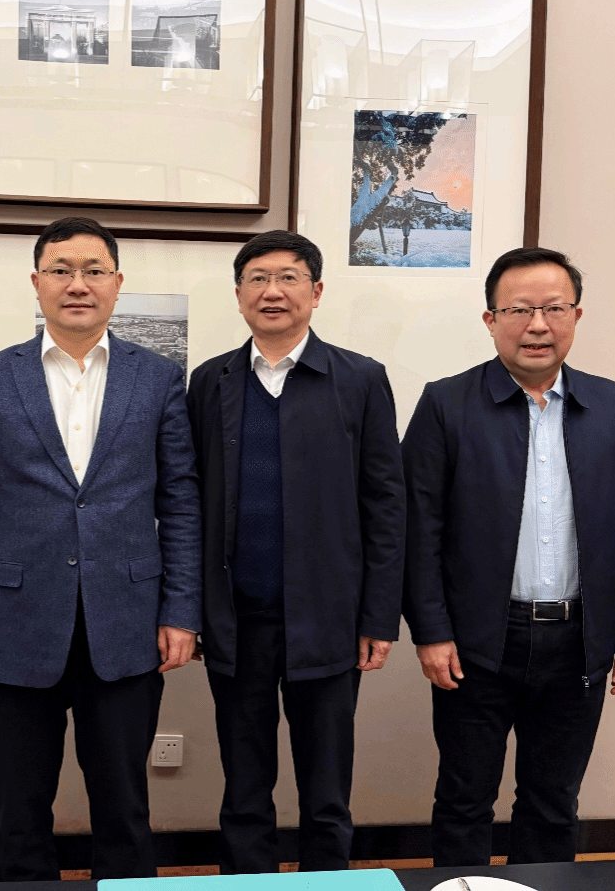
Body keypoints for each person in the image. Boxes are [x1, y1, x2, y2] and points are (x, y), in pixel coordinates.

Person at [0, 216, 201, 881]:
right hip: (14, 626)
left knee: (125, 810)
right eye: (60, 270)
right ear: (37, 282)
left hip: (128, 623)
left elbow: (181, 503)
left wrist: (181, 609)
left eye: (93, 270)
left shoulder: (158, 378)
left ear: (116, 283)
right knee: (20, 813)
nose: (77, 284)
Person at [402, 246, 615, 866]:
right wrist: (431, 632)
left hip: (578, 640)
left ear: (577, 316)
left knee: (552, 803)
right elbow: (418, 531)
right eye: (519, 310)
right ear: (491, 320)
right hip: (476, 642)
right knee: (464, 799)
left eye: (553, 309)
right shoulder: (445, 403)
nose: (537, 325)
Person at [186, 231, 405, 873]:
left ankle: (326, 883)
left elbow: (386, 507)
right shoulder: (211, 381)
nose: (272, 291)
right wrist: (193, 611)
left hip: (329, 620)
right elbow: (189, 502)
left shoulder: (360, 379)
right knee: (244, 787)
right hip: (237, 620)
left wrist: (378, 617)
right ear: (238, 295)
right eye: (257, 278)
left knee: (327, 790)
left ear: (316, 291)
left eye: (288, 277)